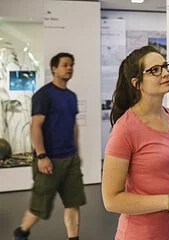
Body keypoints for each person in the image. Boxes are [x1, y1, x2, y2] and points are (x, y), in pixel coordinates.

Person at [102, 45, 169, 240]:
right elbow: (111, 200)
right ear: (137, 83)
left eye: (165, 66)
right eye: (155, 70)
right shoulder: (124, 130)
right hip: (143, 235)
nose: (165, 73)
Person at [13, 52, 86, 240]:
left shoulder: (71, 96)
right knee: (40, 206)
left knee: (73, 203)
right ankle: (22, 232)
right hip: (49, 159)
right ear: (54, 69)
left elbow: (73, 125)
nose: (69, 68)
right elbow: (35, 125)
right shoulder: (44, 95)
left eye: (71, 65)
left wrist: (76, 152)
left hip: (70, 158)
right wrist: (41, 156)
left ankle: (73, 237)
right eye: (65, 65)